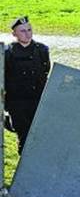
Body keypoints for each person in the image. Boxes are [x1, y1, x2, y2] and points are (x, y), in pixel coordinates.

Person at [5, 16, 50, 154]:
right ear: (14, 34)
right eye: (22, 31)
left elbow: (45, 71)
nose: (27, 33)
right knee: (24, 135)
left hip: (38, 100)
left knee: (39, 135)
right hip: (17, 102)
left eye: (29, 30)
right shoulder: (8, 52)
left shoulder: (42, 50)